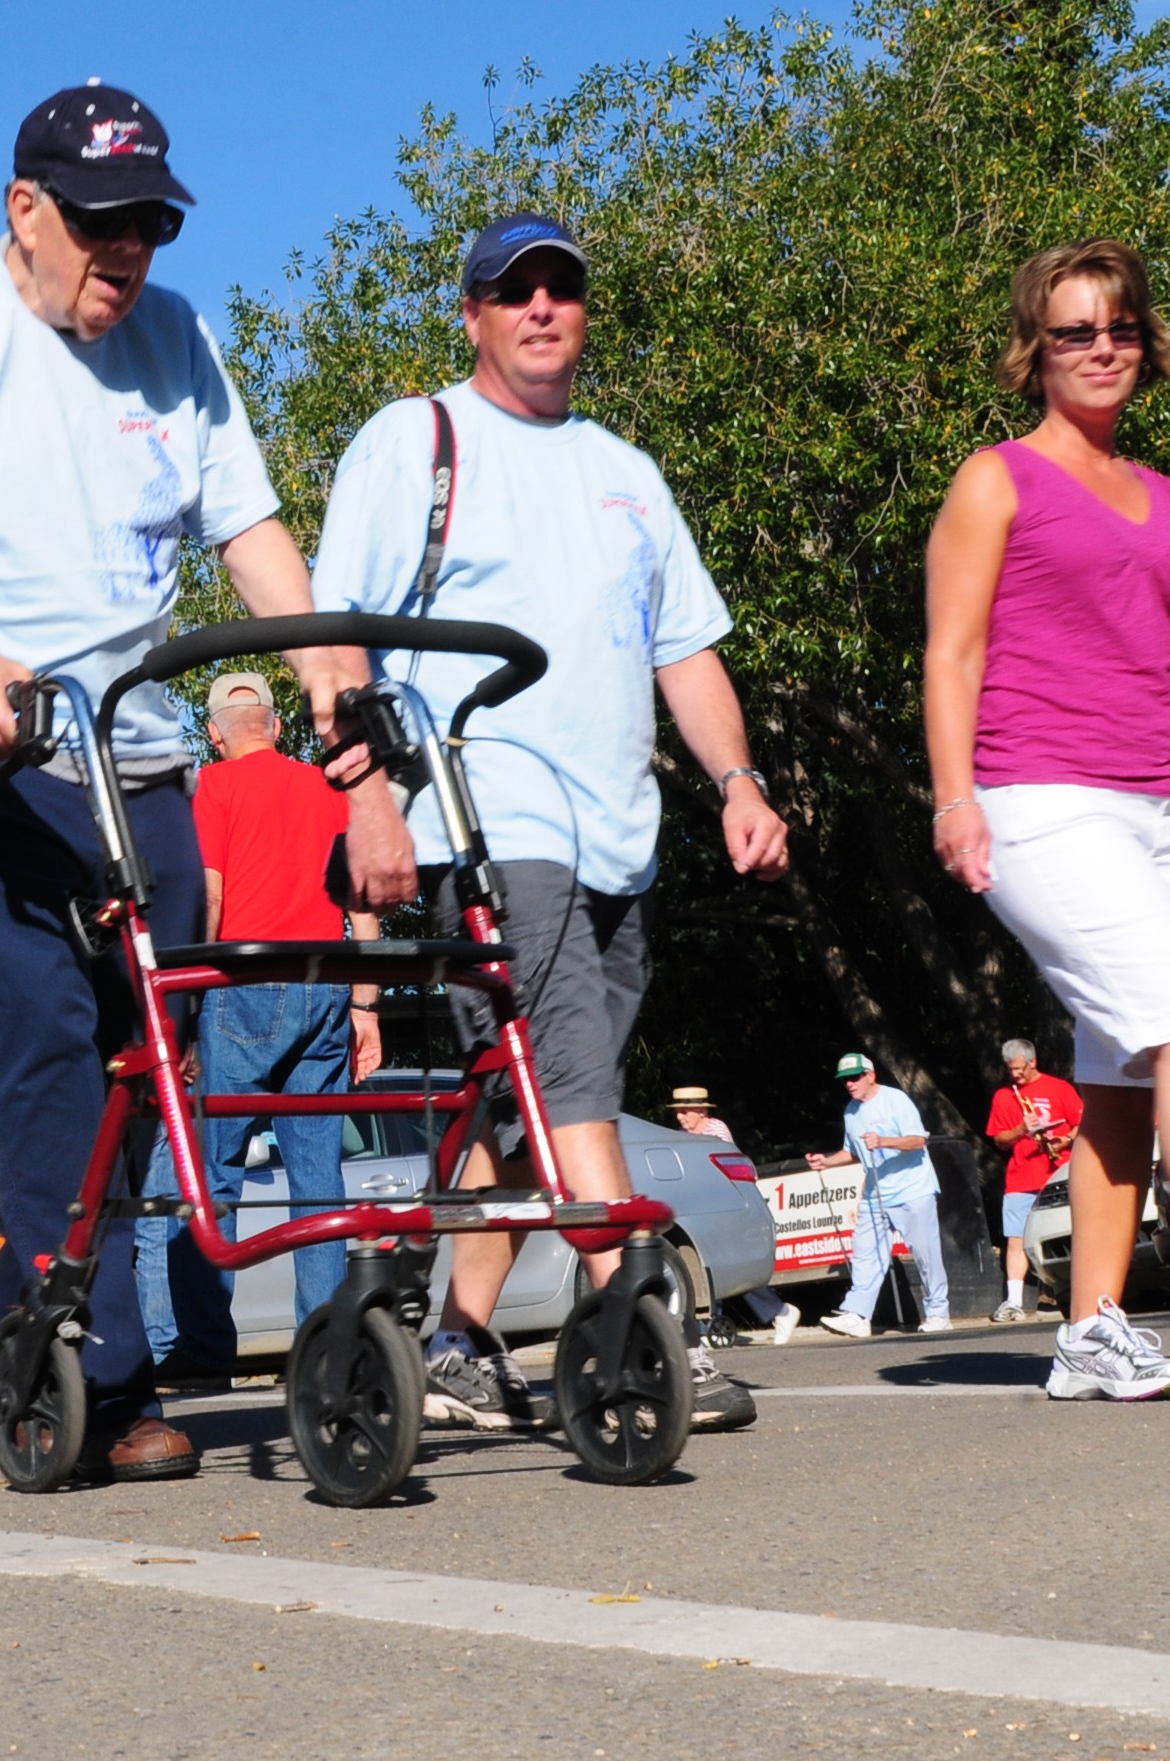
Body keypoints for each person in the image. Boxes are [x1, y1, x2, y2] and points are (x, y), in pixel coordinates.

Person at [0, 82, 334, 1482]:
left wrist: (332, 671)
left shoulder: (175, 339)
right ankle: (105, 1372)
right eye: (101, 227)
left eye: (151, 225)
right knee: (42, 1030)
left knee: (142, 1050)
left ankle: (4, 1332)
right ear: (23, 211)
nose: (128, 256)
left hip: (129, 746)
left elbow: (252, 530)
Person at [307, 214, 789, 1431]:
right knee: (564, 1062)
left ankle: (459, 1337)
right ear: (470, 314)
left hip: (618, 828)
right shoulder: (416, 441)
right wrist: (369, 797)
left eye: (558, 289)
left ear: (583, 312)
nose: (538, 307)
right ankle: (635, 1315)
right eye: (510, 291)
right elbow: (335, 629)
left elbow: (687, 651)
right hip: (483, 817)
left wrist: (737, 783)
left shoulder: (629, 474)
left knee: (532, 1098)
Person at [926, 238, 1170, 1397]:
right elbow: (951, 650)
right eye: (1073, 332)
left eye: (1119, 328)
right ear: (1034, 353)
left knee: (1129, 1074)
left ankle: (1092, 1331)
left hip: (1162, 815)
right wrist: (955, 797)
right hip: (1038, 800)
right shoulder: (996, 478)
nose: (1100, 348)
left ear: (1145, 344)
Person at [136, 670, 375, 1375]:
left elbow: (206, 898)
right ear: (273, 725)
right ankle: (328, 1353)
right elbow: (359, 897)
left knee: (212, 1177)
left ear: (213, 733)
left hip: (243, 985)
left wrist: (182, 1013)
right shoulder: (323, 787)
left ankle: (203, 1350)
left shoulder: (212, 788)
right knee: (317, 1180)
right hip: (327, 985)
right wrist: (367, 1004)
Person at [806, 1054, 950, 1336]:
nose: (850, 1084)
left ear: (871, 1075)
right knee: (864, 1253)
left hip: (913, 1189)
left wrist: (884, 1141)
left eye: (855, 1077)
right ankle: (858, 1314)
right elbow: (851, 1151)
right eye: (845, 1079)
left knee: (925, 1255)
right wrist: (826, 1161)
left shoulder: (895, 1100)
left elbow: (919, 1140)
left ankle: (938, 1313)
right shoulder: (851, 1111)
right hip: (875, 1193)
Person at [672, 1087, 800, 1344]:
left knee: (728, 1266)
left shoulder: (715, 1132)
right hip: (703, 1211)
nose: (680, 1117)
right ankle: (710, 1323)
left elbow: (717, 1172)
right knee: (714, 1266)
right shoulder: (682, 1136)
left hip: (724, 1208)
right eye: (678, 1112)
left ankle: (777, 1312)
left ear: (701, 1110)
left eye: (685, 1111)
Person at [985, 1039, 1081, 1324]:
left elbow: (1082, 1123)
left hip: (1058, 1172)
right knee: (1015, 1239)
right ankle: (1014, 1301)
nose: (1014, 1074)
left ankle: (1082, 1291)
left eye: (1019, 1068)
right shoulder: (1004, 1096)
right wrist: (1021, 1130)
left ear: (1032, 1062)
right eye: (1010, 1069)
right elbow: (1000, 1140)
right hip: (1021, 1177)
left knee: (1072, 1231)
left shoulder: (1059, 1088)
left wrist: (1063, 1141)